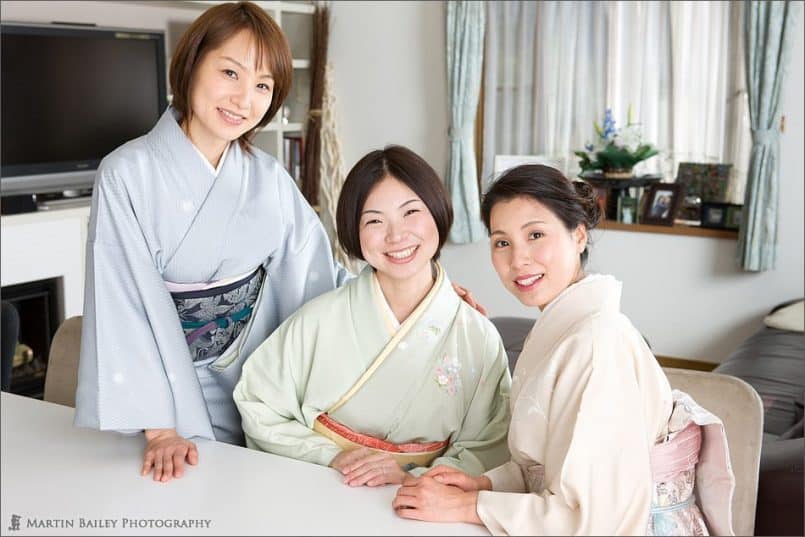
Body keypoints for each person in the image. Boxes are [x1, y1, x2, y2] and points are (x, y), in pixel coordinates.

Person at [74, 2, 350, 482]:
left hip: (257, 385)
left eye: (263, 86)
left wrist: (412, 294)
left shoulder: (268, 179)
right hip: (166, 392)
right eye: (230, 72)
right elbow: (121, 299)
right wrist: (160, 430)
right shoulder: (127, 173)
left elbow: (318, 273)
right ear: (191, 63)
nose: (245, 99)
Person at [393, 165, 735, 535]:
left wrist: (468, 505)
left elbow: (595, 516)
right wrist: (486, 484)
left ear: (579, 236)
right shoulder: (562, 329)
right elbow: (551, 463)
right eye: (501, 242)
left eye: (536, 234)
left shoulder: (597, 343)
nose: (518, 259)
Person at [233, 145, 512, 486]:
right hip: (324, 485)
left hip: (424, 504)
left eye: (411, 213)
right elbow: (258, 402)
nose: (396, 235)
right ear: (355, 231)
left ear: (437, 211)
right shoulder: (318, 319)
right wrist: (332, 455)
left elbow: (488, 447)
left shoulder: (477, 336)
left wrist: (412, 480)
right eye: (375, 220)